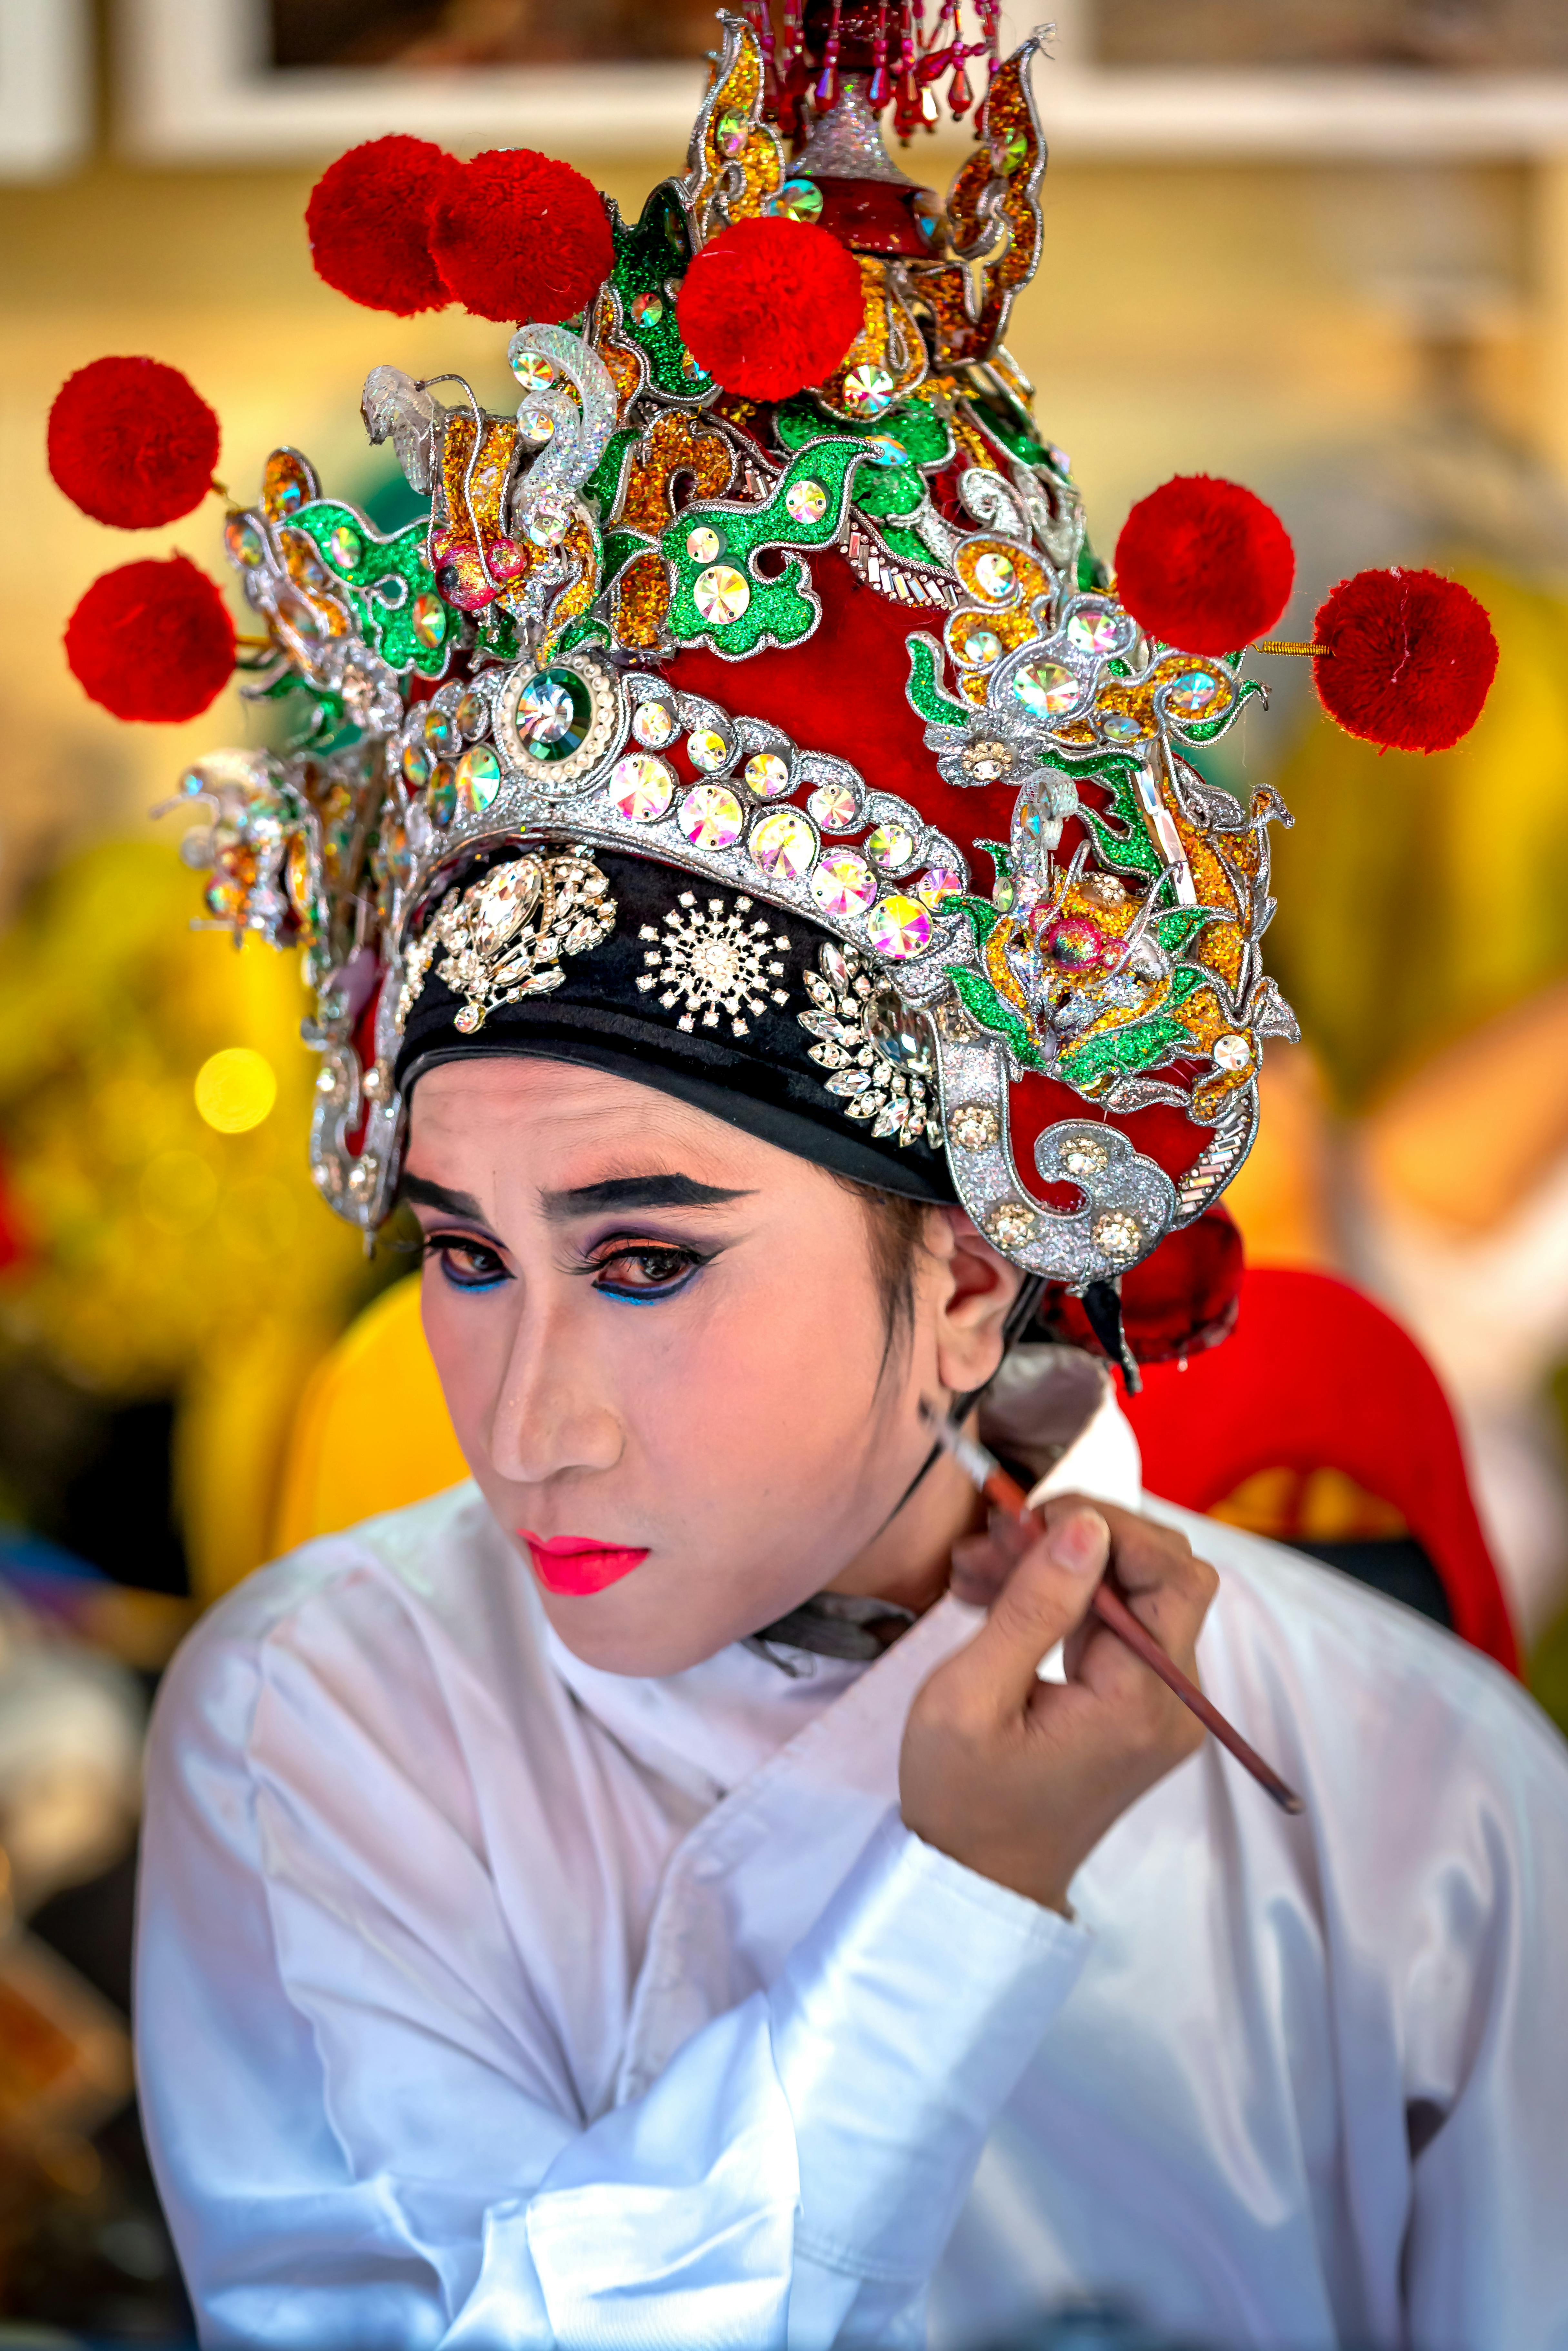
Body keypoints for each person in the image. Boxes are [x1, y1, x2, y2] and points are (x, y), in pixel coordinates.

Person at [64, 5, 1555, 2342]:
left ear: (968, 1275)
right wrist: (963, 1900)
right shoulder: (320, 1721)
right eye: (464, 1254)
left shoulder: (1413, 1788)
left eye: (649, 1259)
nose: (526, 1411)